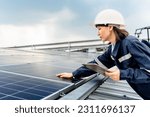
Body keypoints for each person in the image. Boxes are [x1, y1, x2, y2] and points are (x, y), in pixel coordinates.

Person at [56, 9, 150, 100]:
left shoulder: (131, 42)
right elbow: (96, 64)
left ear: (110, 27)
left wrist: (123, 74)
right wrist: (74, 74)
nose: (98, 33)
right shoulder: (113, 49)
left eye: (99, 29)